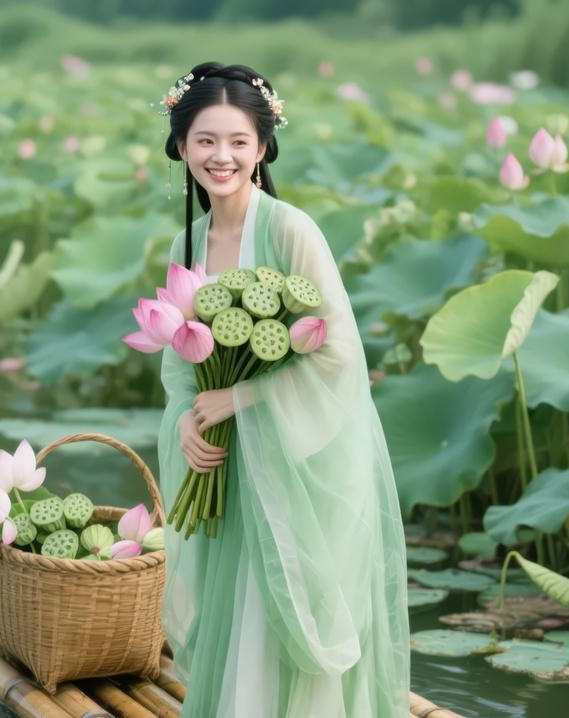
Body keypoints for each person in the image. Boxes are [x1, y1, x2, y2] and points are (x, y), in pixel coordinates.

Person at [154, 62, 411, 717]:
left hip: (293, 459)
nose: (222, 157)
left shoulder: (291, 230)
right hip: (228, 464)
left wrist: (239, 399)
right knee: (233, 611)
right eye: (206, 140)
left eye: (239, 142)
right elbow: (179, 363)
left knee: (278, 607)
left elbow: (340, 354)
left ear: (263, 148)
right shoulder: (187, 244)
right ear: (180, 146)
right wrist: (188, 418)